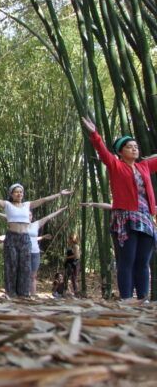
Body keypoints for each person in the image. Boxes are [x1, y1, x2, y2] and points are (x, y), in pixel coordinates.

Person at [81, 117, 157, 301]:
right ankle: (125, 298)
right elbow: (102, 152)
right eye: (130, 146)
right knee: (127, 260)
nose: (135, 149)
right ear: (121, 152)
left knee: (143, 261)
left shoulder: (144, 166)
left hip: (146, 217)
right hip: (125, 217)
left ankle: (143, 299)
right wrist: (94, 134)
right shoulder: (116, 166)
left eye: (136, 146)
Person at [0, 185, 72, 298]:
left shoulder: (27, 205)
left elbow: (44, 200)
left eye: (21, 192)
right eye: (16, 192)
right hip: (12, 237)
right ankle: (11, 293)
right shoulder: (7, 204)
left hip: (25, 238)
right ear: (11, 194)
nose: (19, 194)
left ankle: (23, 294)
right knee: (11, 266)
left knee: (25, 267)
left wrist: (60, 194)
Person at [0, 205, 68, 295]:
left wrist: (61, 209)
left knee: (33, 276)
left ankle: (33, 296)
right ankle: (22, 294)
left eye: (30, 215)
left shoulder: (36, 224)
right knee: (22, 274)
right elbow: (6, 216)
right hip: (23, 252)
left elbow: (49, 216)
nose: (28, 217)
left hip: (35, 253)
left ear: (32, 217)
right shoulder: (18, 225)